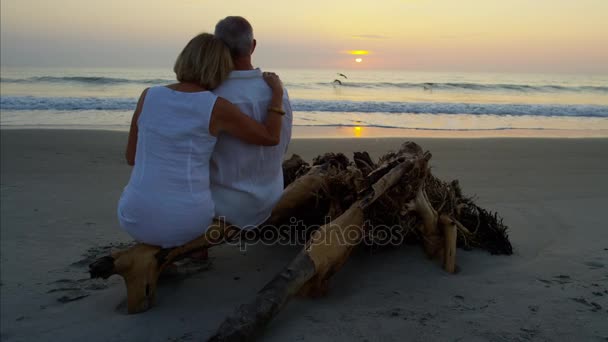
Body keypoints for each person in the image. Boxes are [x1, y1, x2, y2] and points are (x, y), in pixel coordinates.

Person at [117, 33, 286, 248]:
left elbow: (131, 158)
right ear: (221, 68)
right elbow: (270, 137)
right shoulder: (216, 107)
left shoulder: (148, 95)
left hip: (133, 216)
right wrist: (277, 92)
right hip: (186, 223)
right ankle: (196, 251)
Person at [211, 16, 293, 229]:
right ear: (253, 46)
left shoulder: (212, 95)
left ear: (216, 47)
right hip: (271, 196)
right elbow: (283, 144)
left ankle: (197, 254)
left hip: (224, 206)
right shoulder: (278, 92)